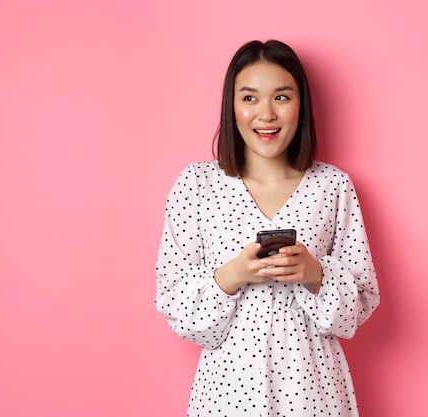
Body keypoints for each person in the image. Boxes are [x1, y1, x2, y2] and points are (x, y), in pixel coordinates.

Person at [155, 39, 380, 417]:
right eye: (249, 98)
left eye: (281, 97)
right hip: (226, 393)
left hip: (312, 390)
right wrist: (233, 274)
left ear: (301, 106)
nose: (266, 114)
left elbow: (360, 304)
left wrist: (316, 274)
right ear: (232, 107)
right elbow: (174, 302)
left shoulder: (333, 186)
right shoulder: (196, 185)